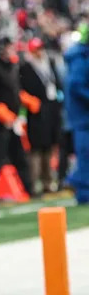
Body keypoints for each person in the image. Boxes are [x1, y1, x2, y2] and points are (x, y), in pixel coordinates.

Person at [0, 35, 33, 197]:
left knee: (19, 155)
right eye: (7, 47)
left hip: (14, 119)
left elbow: (15, 89)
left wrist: (22, 102)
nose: (11, 50)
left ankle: (28, 188)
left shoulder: (12, 65)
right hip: (0, 121)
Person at [20, 38, 64, 196]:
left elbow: (56, 84)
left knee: (50, 146)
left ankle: (47, 182)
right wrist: (30, 102)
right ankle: (34, 184)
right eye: (37, 49)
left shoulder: (49, 64)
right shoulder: (26, 68)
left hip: (51, 110)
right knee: (36, 148)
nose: (40, 52)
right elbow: (22, 90)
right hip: (36, 113)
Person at [63, 23, 89, 204]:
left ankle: (75, 180)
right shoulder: (80, 58)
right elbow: (76, 85)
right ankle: (80, 188)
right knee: (85, 153)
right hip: (82, 117)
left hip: (83, 116)